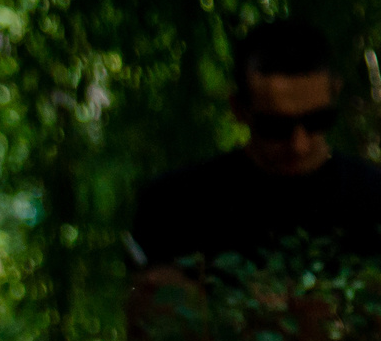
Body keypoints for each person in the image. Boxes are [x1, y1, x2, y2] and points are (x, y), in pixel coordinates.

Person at [132, 19, 381, 271]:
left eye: (317, 120)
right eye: (276, 127)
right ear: (238, 109)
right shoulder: (174, 205)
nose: (299, 144)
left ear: (335, 95)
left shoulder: (373, 199)